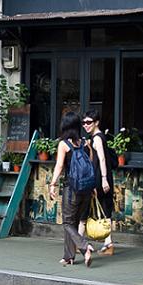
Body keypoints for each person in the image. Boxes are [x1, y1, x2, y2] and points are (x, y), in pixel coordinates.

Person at [48, 111, 95, 267]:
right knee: (73, 222)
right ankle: (69, 256)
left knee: (68, 223)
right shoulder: (86, 143)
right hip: (86, 189)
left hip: (72, 188)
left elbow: (60, 166)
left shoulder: (63, 144)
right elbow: (91, 165)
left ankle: (84, 247)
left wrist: (52, 184)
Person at [81, 109, 114, 255]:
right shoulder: (96, 138)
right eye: (84, 122)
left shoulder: (98, 138)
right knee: (105, 209)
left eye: (89, 122)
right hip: (101, 178)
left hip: (100, 178)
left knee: (86, 209)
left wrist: (104, 179)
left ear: (96, 123)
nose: (85, 125)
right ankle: (108, 243)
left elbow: (102, 159)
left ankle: (78, 241)